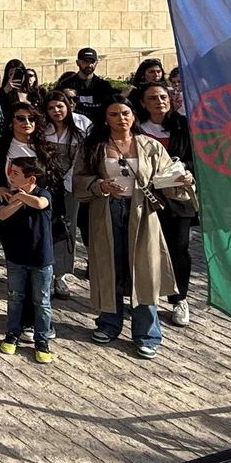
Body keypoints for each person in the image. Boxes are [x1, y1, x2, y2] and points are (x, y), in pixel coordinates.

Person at [73, 100, 181, 360]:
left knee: (144, 271)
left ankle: (147, 334)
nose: (120, 118)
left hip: (141, 212)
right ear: (105, 118)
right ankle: (108, 324)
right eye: (113, 114)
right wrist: (100, 185)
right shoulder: (94, 146)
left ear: (133, 116)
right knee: (109, 267)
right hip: (106, 211)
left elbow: (167, 178)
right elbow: (79, 179)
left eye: (125, 113)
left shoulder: (150, 145)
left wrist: (182, 179)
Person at [136, 82, 197, 326]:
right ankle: (144, 297)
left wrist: (187, 171)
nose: (159, 101)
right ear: (143, 103)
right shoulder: (136, 127)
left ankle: (179, 298)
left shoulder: (183, 126)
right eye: (152, 98)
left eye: (163, 97)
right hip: (144, 197)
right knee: (143, 248)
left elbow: (195, 158)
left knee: (178, 249)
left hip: (177, 197)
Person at [0, 157, 56, 363]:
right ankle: (13, 333)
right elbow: (2, 214)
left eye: (16, 173)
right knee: (15, 297)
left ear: (31, 179)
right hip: (16, 258)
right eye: (10, 172)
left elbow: (40, 204)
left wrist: (21, 197)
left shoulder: (43, 193)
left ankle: (42, 340)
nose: (10, 176)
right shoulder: (9, 195)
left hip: (41, 259)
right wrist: (17, 199)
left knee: (42, 301)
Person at [41, 89, 90, 298]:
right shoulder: (42, 128)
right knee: (45, 227)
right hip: (45, 184)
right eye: (51, 107)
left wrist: (68, 180)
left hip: (70, 185)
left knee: (66, 228)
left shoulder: (82, 126)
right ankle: (44, 272)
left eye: (60, 106)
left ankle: (60, 275)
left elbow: (82, 159)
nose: (56, 111)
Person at [56, 47, 111, 119]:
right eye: (86, 61)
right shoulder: (66, 84)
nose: (89, 65)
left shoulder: (103, 86)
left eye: (92, 62)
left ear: (96, 63)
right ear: (78, 63)